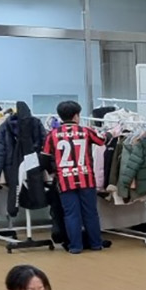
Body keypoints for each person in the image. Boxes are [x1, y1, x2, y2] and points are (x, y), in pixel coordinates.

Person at [43, 99, 106, 255]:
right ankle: (96, 244)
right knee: (90, 213)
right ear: (76, 115)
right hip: (86, 179)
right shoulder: (86, 131)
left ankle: (75, 247)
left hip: (65, 180)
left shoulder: (52, 134)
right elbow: (101, 141)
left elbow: (44, 157)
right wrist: (112, 132)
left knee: (71, 214)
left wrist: (53, 172)